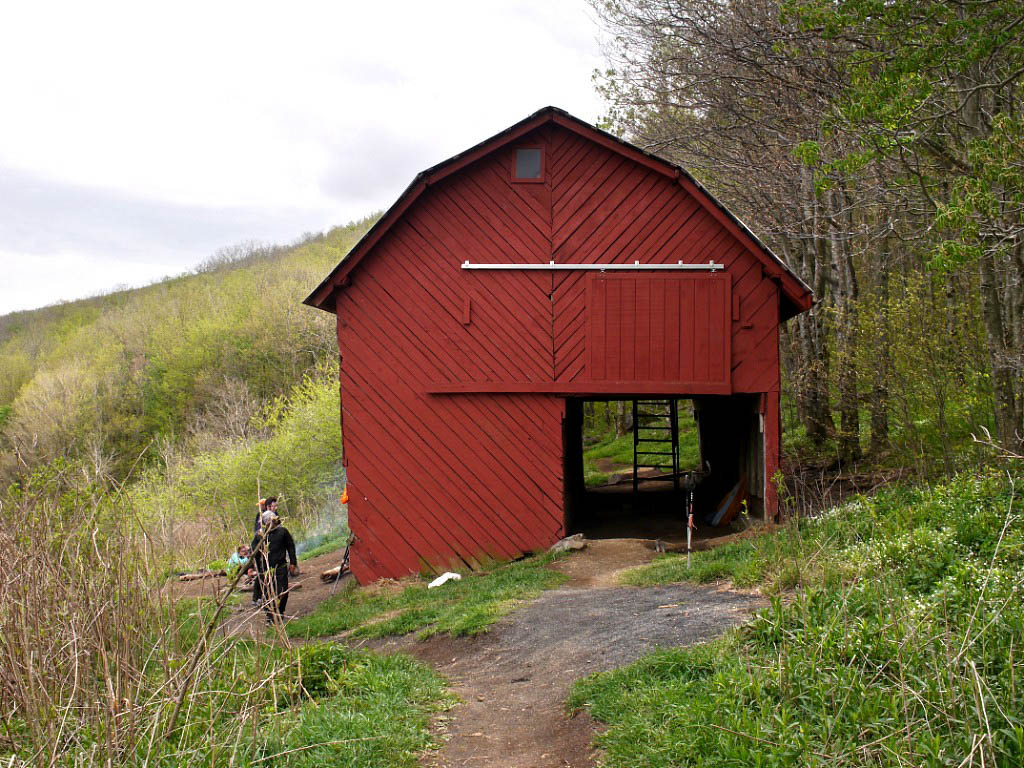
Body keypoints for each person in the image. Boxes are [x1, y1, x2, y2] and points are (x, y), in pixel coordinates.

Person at [250, 508, 297, 625]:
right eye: (270, 520)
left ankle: (280, 612)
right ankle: (270, 617)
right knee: (267, 594)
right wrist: (253, 567)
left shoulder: (283, 532)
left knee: (283, 591)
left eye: (274, 519)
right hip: (265, 569)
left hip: (281, 566)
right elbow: (254, 553)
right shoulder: (260, 536)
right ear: (265, 522)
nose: (273, 521)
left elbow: (290, 546)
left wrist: (293, 562)